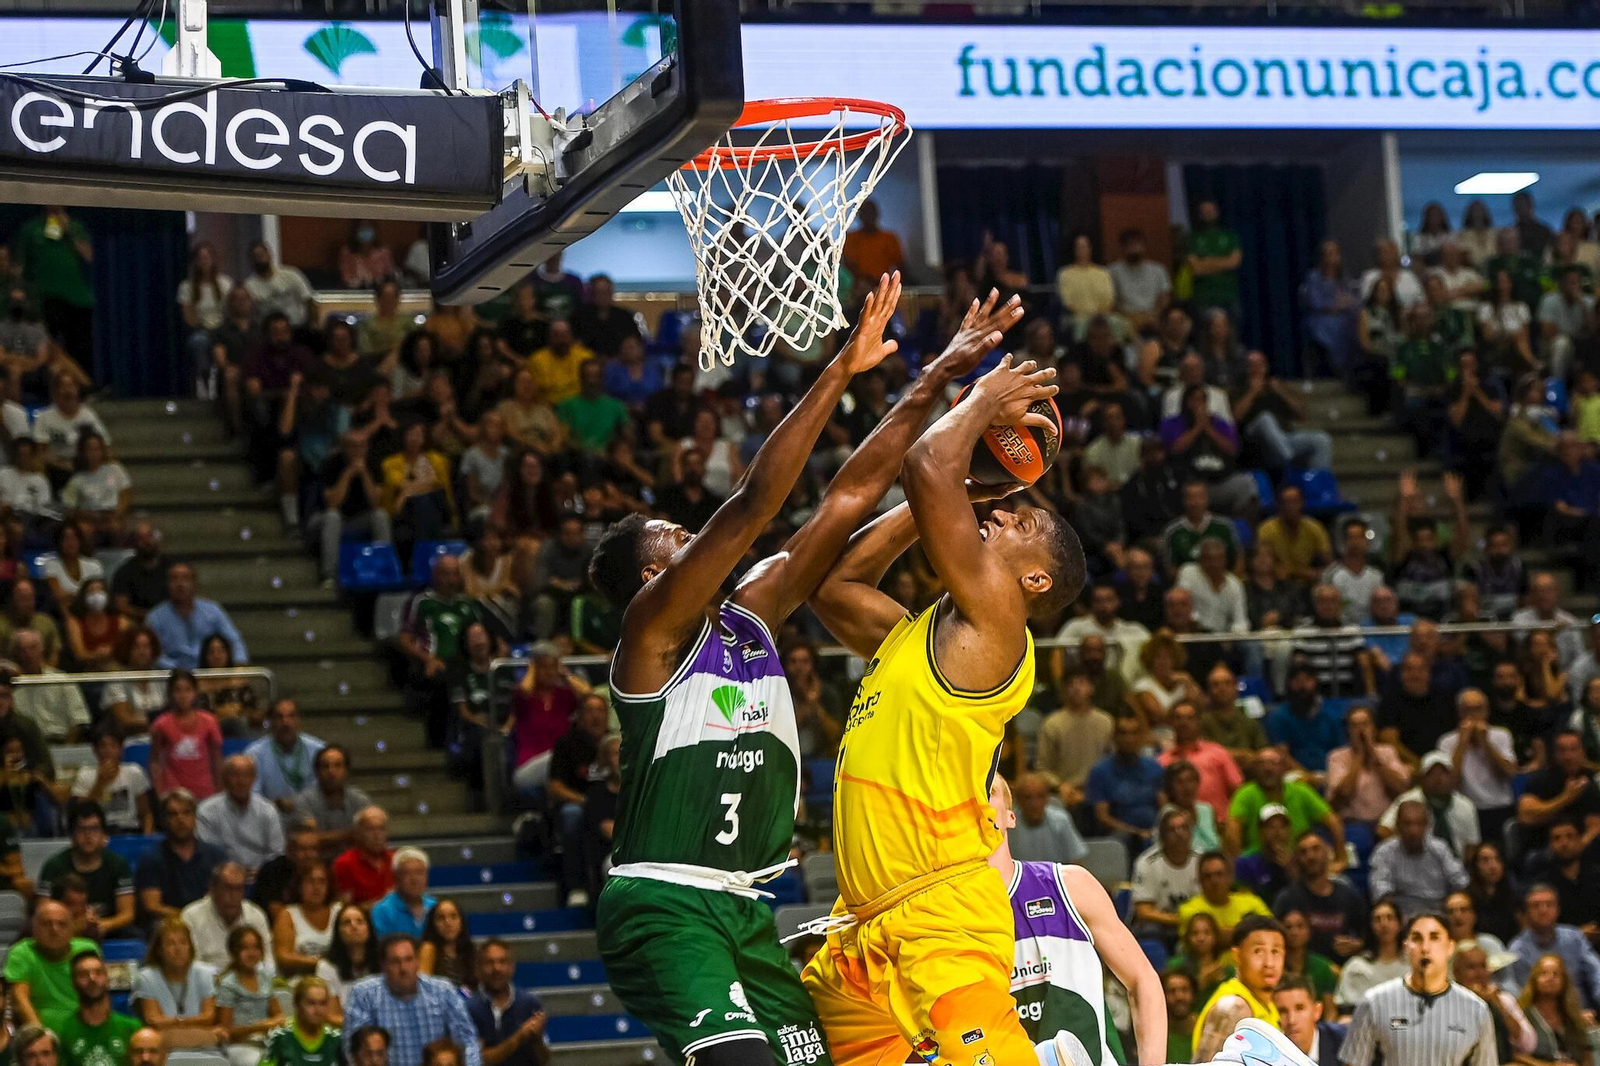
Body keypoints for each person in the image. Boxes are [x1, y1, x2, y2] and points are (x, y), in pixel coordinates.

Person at [592, 284, 1027, 1065]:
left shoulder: (751, 616)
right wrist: (840, 370)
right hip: (665, 902)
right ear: (649, 579)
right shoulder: (650, 636)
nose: (693, 540)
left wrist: (932, 387)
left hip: (747, 914)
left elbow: (849, 497)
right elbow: (758, 502)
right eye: (675, 541)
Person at [987, 776, 1165, 1063]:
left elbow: (1142, 979)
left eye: (988, 791)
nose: (977, 802)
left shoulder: (1068, 885)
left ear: (1011, 816)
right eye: (967, 792)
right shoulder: (938, 917)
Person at [1341, 912, 1496, 1066]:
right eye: (1417, 938)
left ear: (1450, 947)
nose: (1425, 948)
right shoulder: (1374, 1002)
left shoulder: (1477, 1010)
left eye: (1434, 937)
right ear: (1406, 947)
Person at [342, 936, 482, 1066]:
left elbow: (468, 1041)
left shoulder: (443, 991)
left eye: (409, 960)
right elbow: (352, 1050)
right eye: (395, 962)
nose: (403, 968)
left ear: (417, 962)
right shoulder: (364, 994)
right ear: (383, 966)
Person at [1191, 914, 1287, 1059]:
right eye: (1258, 951)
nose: (1269, 963)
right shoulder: (1234, 1006)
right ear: (1236, 955)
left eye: (1275, 952)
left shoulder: (1268, 1006)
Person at [37, 803, 134, 938]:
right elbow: (43, 912)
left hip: (108, 929)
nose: (88, 835)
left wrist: (101, 925)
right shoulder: (54, 866)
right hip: (62, 931)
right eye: (81, 829)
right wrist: (74, 926)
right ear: (71, 834)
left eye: (94, 829)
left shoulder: (118, 864)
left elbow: (127, 914)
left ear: (104, 834)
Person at [1226, 748, 1343, 859]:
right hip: (1259, 860)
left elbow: (1333, 821)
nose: (1268, 769)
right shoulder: (1245, 794)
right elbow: (1232, 829)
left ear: (1284, 768)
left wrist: (1340, 857)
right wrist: (1238, 864)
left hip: (1300, 859)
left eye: (1274, 763)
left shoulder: (1301, 791)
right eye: (1262, 764)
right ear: (1255, 769)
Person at [135, 789, 226, 926]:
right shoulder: (151, 858)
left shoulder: (216, 856)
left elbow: (225, 898)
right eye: (173, 814)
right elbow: (152, 906)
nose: (180, 819)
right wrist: (190, 918)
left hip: (210, 923)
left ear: (195, 818)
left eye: (186, 813)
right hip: (170, 924)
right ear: (164, 820)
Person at [1368, 800, 1468, 919]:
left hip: (1440, 914)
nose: (1413, 830)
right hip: (1402, 916)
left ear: (1427, 826)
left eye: (1419, 824)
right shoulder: (1384, 852)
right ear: (1397, 825)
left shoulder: (1440, 848)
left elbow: (1461, 883)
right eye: (1407, 824)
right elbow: (1381, 891)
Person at [1275, 833, 1366, 963]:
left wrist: (1358, 945)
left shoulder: (1349, 895)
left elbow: (1365, 937)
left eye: (1315, 849)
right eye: (1303, 852)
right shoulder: (1287, 899)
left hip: (1343, 970)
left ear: (1328, 852)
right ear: (1297, 859)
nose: (1310, 856)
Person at [3, 901, 98, 1026]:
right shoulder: (22, 952)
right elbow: (19, 999)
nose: (54, 929)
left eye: (62, 924)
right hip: (39, 1031)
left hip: (83, 1027)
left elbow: (98, 994)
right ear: (34, 928)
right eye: (46, 924)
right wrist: (40, 1034)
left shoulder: (87, 949)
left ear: (72, 929)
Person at [1509, 884, 1600, 1012]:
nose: (1543, 910)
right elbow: (1525, 996)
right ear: (1526, 912)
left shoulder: (1574, 937)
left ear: (1558, 909)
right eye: (1536, 906)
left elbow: (1596, 972)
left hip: (1585, 1013)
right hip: (1543, 1020)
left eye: (1549, 904)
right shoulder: (1517, 950)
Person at [39, 952, 140, 1066]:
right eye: (83, 974)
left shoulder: (132, 1028)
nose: (92, 978)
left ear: (107, 979)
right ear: (73, 982)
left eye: (98, 973)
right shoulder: (62, 1031)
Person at [144, 564, 248, 671]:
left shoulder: (213, 610)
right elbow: (154, 655)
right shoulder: (155, 617)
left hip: (210, 672)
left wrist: (239, 665)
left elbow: (234, 640)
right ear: (167, 584)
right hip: (172, 676)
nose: (180, 584)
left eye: (185, 578)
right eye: (174, 579)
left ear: (195, 584)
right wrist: (178, 671)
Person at [196, 757, 286, 877]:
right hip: (222, 877)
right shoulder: (206, 811)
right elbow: (207, 853)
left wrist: (263, 872)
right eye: (235, 775)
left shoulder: (267, 810)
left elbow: (277, 852)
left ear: (254, 779)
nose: (241, 781)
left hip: (261, 877)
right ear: (224, 778)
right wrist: (232, 871)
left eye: (247, 775)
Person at [129, 916, 218, 1036]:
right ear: (159, 950)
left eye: (183, 942)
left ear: (190, 947)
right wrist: (194, 1023)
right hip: (163, 1046)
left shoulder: (205, 973)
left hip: (203, 1045)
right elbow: (154, 1021)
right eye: (170, 943)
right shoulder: (146, 977)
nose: (178, 949)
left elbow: (209, 1018)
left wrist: (173, 1022)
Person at [1323, 705, 1410, 827]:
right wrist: (1359, 757)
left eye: (1365, 724)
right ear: (1348, 731)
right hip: (1352, 823)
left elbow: (1401, 789)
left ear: (1374, 729)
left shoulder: (1388, 752)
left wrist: (1375, 759)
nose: (1361, 730)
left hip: (1386, 821)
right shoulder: (1337, 757)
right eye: (1355, 725)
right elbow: (1344, 793)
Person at [1450, 939, 1533, 1065]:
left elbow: (1528, 1044)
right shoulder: (1448, 1002)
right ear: (1457, 972)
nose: (1479, 974)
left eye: (1483, 966)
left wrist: (1498, 1005)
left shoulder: (1503, 999)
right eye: (1471, 967)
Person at [466, 939, 548, 1066]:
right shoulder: (468, 1008)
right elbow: (477, 1061)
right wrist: (519, 1037)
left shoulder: (530, 1004)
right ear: (478, 968)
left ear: (512, 967)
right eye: (489, 962)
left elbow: (544, 1060)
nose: (497, 968)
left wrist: (536, 1040)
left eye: (502, 962)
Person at [181, 863, 273, 973]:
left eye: (239, 889)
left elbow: (268, 960)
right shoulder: (192, 916)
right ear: (212, 888)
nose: (234, 895)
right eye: (228, 888)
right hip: (207, 983)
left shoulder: (255, 914)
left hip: (249, 980)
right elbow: (190, 962)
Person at [1160, 701, 1242, 826]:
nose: (1184, 723)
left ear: (1199, 722)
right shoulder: (1162, 761)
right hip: (1180, 828)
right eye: (1179, 718)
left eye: (1190, 718)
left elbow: (1238, 790)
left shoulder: (1217, 753)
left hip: (1220, 825)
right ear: (1171, 723)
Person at [1131, 806, 1200, 944]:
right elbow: (1144, 911)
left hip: (1196, 926)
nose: (1179, 833)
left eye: (1184, 828)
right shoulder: (1147, 863)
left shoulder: (1201, 861)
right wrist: (1180, 920)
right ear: (1162, 836)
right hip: (1159, 927)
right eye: (1172, 830)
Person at [216, 927, 283, 1066]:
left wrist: (276, 1022)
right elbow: (225, 1031)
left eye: (255, 948)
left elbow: (278, 1016)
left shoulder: (265, 979)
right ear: (235, 952)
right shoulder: (228, 984)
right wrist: (257, 1027)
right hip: (239, 1046)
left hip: (265, 1042)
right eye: (245, 948)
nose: (251, 953)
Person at [1179, 852, 1271, 947]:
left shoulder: (1252, 901)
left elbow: (1272, 930)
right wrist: (1251, 929)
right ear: (1199, 881)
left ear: (1230, 877)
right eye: (1207, 876)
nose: (1214, 881)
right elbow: (1215, 939)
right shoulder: (1189, 910)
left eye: (1219, 874)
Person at [1525, 816, 1600, 932]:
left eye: (1570, 837)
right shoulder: (1543, 884)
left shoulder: (1596, 874)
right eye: (1557, 838)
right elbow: (1540, 925)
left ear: (1581, 840)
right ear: (1550, 845)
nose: (1564, 843)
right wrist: (1578, 933)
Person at [292, 746, 372, 854]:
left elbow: (369, 836)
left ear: (346, 770)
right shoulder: (304, 800)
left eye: (338, 766)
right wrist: (350, 834)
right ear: (317, 771)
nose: (331, 771)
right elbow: (310, 839)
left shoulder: (360, 800)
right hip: (317, 863)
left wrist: (326, 837)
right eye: (325, 766)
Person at [70, 730, 151, 835]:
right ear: (95, 750)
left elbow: (146, 814)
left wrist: (146, 838)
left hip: (130, 830)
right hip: (98, 832)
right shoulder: (84, 775)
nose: (108, 751)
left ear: (121, 749)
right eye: (103, 746)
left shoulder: (134, 772)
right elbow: (80, 814)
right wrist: (100, 782)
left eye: (113, 746)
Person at [1335, 899, 1407, 1010]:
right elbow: (1346, 1005)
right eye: (1377, 919)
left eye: (1390, 918)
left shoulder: (1412, 965)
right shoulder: (1357, 966)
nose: (1384, 924)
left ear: (1399, 923)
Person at [1517, 953, 1590, 1064]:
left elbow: (1586, 1053)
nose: (1550, 978)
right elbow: (1515, 1054)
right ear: (1534, 979)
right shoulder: (1522, 1014)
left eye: (1556, 974)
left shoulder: (1573, 1017)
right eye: (1544, 973)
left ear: (1564, 981)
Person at [272, 861, 340, 976]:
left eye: (322, 882)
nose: (316, 887)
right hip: (299, 981)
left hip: (336, 979)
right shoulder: (288, 914)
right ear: (299, 886)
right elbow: (283, 957)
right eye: (310, 881)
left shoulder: (339, 911)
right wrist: (321, 964)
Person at [1005, 772, 1087, 865]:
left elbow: (1076, 860)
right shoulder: (1007, 825)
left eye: (1039, 796)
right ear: (1018, 800)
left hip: (1055, 877)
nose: (1034, 803)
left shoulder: (1061, 821)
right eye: (1028, 797)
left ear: (1047, 798)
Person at [259, 977, 342, 1066]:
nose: (318, 1010)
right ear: (297, 1004)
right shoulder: (279, 1038)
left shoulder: (336, 1040)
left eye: (322, 1003)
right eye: (311, 1003)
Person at [317, 905, 377, 1019]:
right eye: (347, 923)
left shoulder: (383, 962)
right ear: (337, 931)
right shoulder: (326, 967)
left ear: (369, 928)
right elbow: (332, 1016)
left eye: (360, 921)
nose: (354, 926)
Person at [1271, 975, 1342, 1066]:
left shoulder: (1342, 1044)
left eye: (1300, 1008)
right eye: (1282, 1011)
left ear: (1317, 1010)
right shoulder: (1269, 1054)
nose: (1291, 1020)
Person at [369, 849, 435, 940]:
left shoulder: (434, 906)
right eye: (407, 873)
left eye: (419, 872)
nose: (414, 880)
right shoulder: (382, 911)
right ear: (396, 878)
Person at [333, 807, 393, 905]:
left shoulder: (397, 860)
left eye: (381, 829)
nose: (377, 835)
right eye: (371, 829)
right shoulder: (344, 864)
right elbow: (345, 910)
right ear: (357, 833)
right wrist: (385, 902)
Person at [417, 900, 474, 990]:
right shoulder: (428, 949)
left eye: (453, 916)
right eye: (441, 918)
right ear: (433, 924)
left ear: (461, 921)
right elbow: (423, 989)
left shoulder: (469, 950)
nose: (448, 923)